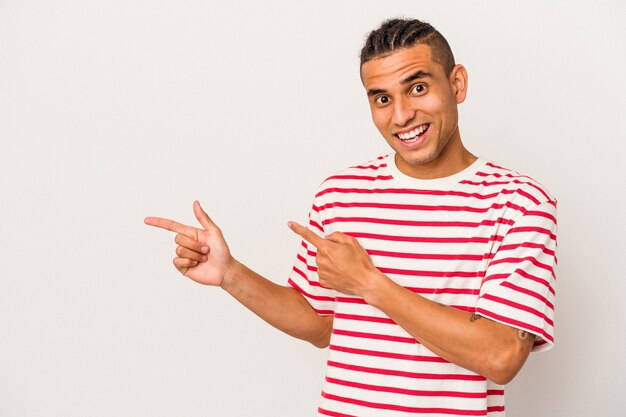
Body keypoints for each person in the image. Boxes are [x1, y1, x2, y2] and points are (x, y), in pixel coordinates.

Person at [145, 18, 557, 417]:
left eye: (417, 87)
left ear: (456, 83)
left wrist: (368, 282)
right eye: (382, 98)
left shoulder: (519, 202)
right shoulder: (341, 194)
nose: (400, 116)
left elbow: (500, 355)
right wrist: (229, 273)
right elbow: (320, 324)